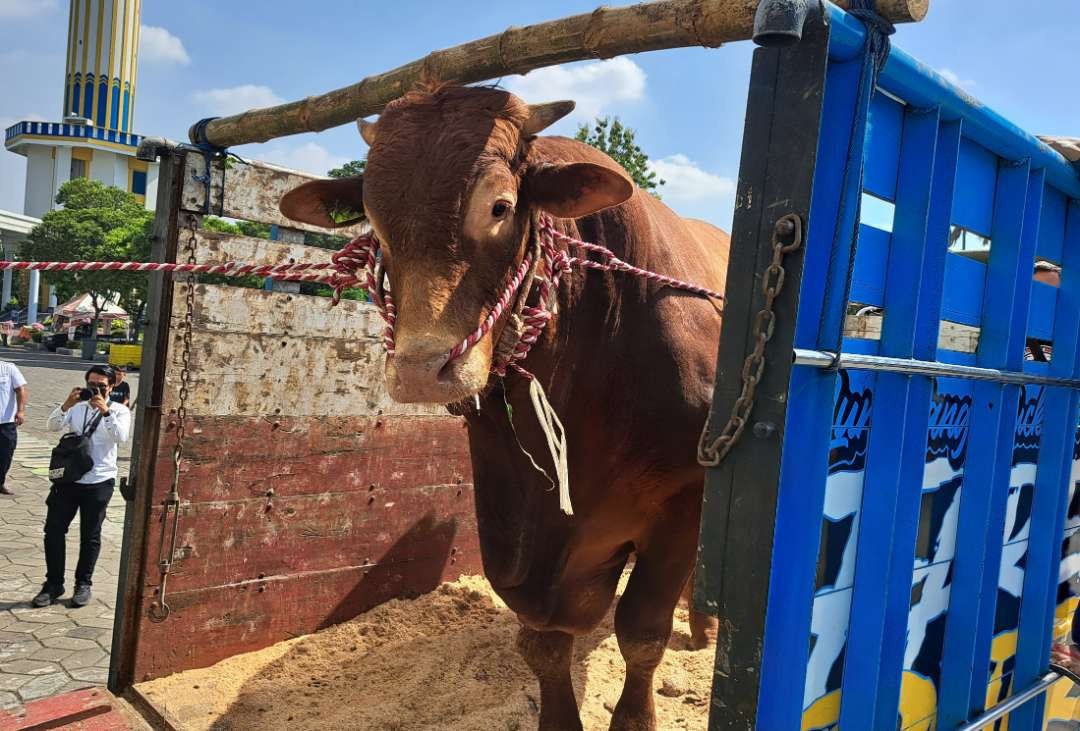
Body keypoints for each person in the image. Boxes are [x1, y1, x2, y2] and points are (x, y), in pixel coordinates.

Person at [33, 365, 130, 608]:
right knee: (53, 531)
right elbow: (52, 426)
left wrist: (106, 412)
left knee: (90, 535)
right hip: (68, 480)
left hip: (99, 481)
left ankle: (83, 583)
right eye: (92, 384)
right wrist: (66, 404)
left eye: (101, 386)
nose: (96, 389)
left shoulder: (119, 411)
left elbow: (121, 438)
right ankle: (53, 583)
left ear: (112, 387)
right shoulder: (75, 407)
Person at [0, 359, 27, 496]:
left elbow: (20, 389)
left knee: (5, 454)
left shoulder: (8, 368)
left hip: (6, 422)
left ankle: (0, 482)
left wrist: (20, 411)